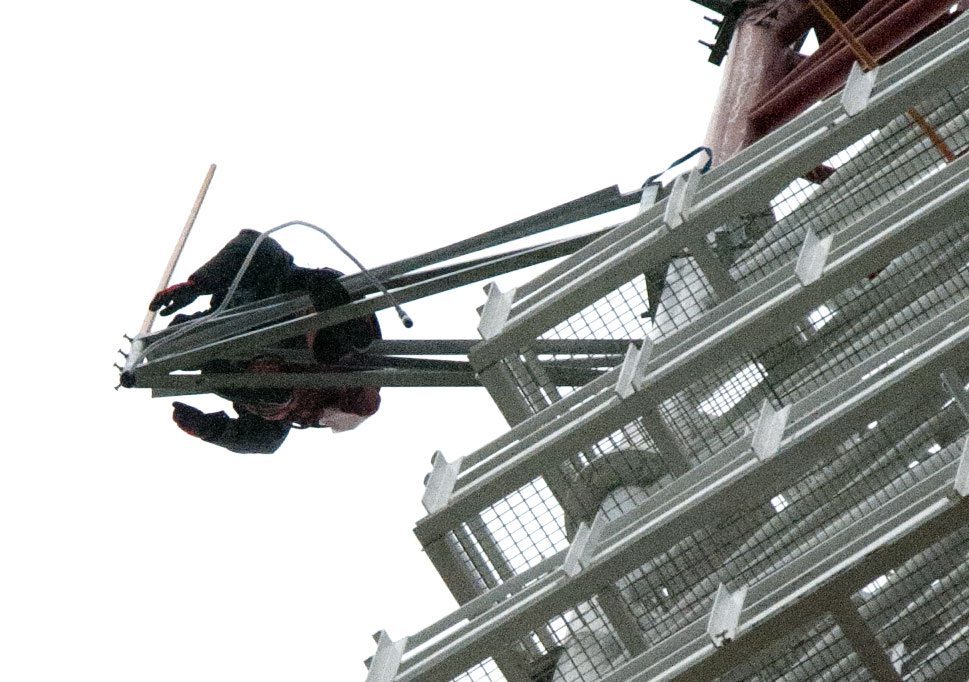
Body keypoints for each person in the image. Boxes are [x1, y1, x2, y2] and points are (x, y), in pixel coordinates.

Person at [148, 229, 381, 454]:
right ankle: (332, 343)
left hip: (314, 308)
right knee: (337, 401)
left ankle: (333, 331)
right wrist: (209, 429)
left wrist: (197, 284)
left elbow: (256, 244)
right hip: (321, 373)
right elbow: (264, 440)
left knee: (300, 287)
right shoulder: (220, 372)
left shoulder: (236, 301)